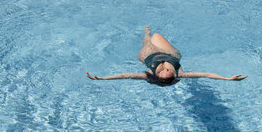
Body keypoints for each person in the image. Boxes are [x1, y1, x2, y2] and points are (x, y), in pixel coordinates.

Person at [86, 27, 248, 86]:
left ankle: (146, 33)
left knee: (148, 40)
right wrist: (227, 79)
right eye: (167, 69)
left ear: (156, 75)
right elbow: (206, 74)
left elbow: (125, 76)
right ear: (174, 75)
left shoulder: (147, 75)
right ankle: (149, 33)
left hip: (147, 56)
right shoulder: (181, 74)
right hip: (171, 53)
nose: (164, 66)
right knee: (157, 35)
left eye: (162, 70)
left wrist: (103, 79)